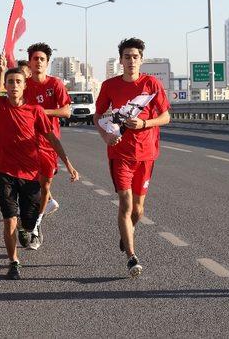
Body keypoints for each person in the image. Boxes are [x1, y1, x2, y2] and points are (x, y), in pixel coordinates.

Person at [0, 35, 79, 280]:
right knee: (9, 220)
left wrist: (68, 163)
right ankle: (13, 261)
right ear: (6, 85)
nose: (14, 85)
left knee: (27, 222)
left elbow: (52, 138)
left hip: (30, 173)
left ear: (24, 85)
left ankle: (31, 229)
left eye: (18, 81)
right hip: (5, 171)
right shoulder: (0, 105)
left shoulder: (35, 111)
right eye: (10, 81)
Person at [93, 37, 170, 278]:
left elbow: (166, 117)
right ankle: (131, 257)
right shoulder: (109, 85)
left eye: (135, 57)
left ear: (141, 60)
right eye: (127, 57)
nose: (131, 61)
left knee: (138, 210)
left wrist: (145, 122)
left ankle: (126, 234)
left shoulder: (152, 84)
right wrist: (106, 136)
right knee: (125, 204)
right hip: (120, 154)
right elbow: (97, 116)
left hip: (146, 154)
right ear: (121, 60)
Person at [0, 43, 71, 250]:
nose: (38, 62)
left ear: (47, 63)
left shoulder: (55, 84)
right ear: (29, 62)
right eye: (34, 59)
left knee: (45, 186)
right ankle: (26, 222)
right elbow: (1, 96)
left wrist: (39, 112)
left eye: (42, 59)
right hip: (26, 147)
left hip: (47, 143)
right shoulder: (22, 83)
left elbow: (66, 112)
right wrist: (2, 70)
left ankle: (35, 226)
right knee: (26, 191)